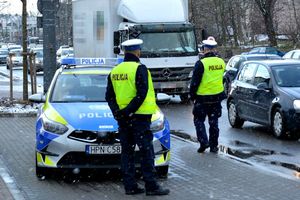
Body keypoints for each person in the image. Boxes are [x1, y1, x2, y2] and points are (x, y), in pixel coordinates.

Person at [105, 39, 170, 196]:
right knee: (146, 152)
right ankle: (151, 186)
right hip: (139, 118)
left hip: (123, 120)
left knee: (126, 153)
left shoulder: (115, 71)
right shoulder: (140, 69)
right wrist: (129, 111)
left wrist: (118, 113)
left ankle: (130, 186)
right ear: (137, 51)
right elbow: (141, 95)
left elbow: (109, 96)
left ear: (125, 52)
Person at [189, 36, 226, 153]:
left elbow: (195, 82)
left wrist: (192, 95)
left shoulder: (201, 63)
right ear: (214, 49)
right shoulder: (221, 62)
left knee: (198, 120)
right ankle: (214, 146)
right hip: (216, 98)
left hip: (202, 98)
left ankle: (204, 142)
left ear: (205, 49)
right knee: (214, 122)